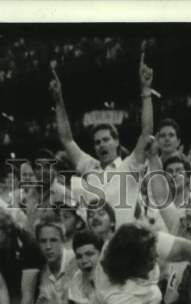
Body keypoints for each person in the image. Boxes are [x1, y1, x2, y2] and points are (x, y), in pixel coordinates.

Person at [49, 51, 153, 227]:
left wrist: (146, 92)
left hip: (125, 242)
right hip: (97, 244)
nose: (101, 145)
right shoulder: (89, 167)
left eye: (105, 140)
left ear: (116, 141)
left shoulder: (130, 166)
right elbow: (67, 139)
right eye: (97, 142)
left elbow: (146, 132)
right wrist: (59, 102)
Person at [22, 218, 75, 304]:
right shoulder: (46, 270)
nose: (48, 247)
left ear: (63, 241)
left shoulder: (74, 262)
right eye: (43, 241)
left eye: (53, 240)